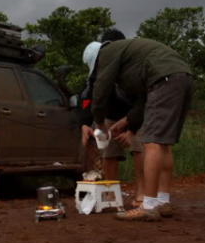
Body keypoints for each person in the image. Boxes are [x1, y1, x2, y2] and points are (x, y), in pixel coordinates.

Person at [83, 37, 194, 221]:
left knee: (151, 142)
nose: (97, 72)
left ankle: (149, 206)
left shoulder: (107, 53)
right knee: (163, 143)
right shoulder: (134, 59)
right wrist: (127, 121)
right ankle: (162, 201)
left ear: (96, 62)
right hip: (182, 77)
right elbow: (144, 100)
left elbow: (100, 89)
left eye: (95, 70)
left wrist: (100, 121)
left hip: (164, 79)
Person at [79, 29, 145, 207]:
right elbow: (86, 99)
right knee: (107, 150)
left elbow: (143, 100)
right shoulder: (97, 70)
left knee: (139, 147)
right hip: (109, 115)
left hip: (136, 114)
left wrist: (131, 129)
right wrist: (85, 124)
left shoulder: (133, 67)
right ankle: (111, 194)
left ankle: (142, 193)